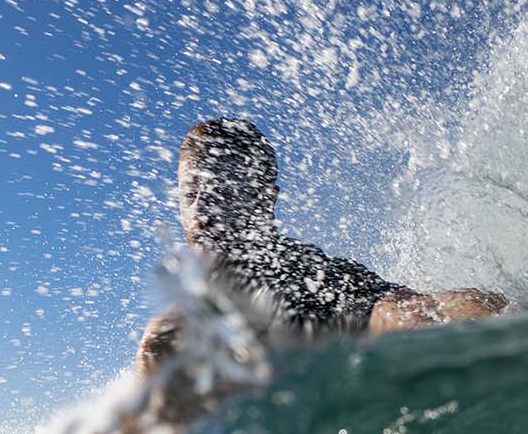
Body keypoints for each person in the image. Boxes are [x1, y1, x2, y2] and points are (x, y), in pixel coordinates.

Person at [137, 118, 507, 376]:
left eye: (221, 193)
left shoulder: (304, 278)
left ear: (263, 200)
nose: (200, 211)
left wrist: (497, 316)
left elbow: (403, 311)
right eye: (190, 195)